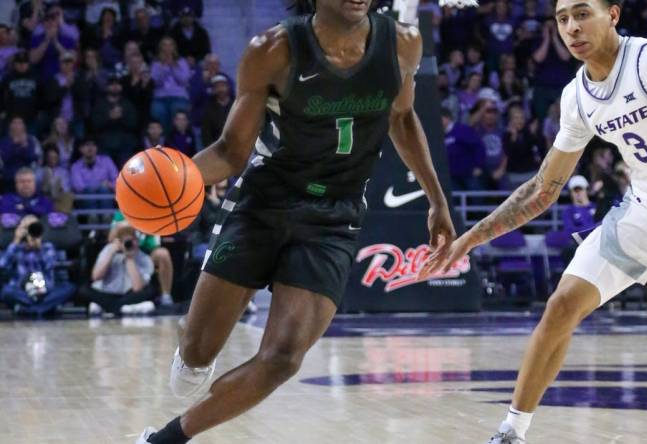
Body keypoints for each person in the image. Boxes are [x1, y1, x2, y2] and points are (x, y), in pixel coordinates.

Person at [420, 1, 647, 442]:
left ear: (612, 15)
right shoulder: (576, 96)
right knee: (561, 306)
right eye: (562, 19)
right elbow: (543, 190)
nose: (572, 28)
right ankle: (512, 431)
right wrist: (469, 240)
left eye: (582, 14)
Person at [134, 0, 455, 442]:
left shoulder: (403, 44)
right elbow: (231, 151)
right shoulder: (274, 50)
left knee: (284, 356)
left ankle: (167, 439)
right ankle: (194, 355)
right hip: (264, 202)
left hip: (334, 216)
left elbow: (401, 117)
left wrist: (436, 200)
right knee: (194, 355)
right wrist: (175, 180)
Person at [0, 214, 75, 315]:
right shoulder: (15, 247)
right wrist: (16, 241)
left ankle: (28, 309)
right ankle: (44, 308)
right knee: (6, 291)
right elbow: (2, 265)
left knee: (69, 287)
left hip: (45, 289)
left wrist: (39, 249)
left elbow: (50, 265)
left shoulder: (47, 246)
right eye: (27, 227)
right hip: (21, 289)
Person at [82, 222, 157, 316]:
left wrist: (130, 258)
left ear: (137, 240)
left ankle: (108, 308)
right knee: (84, 290)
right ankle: (125, 308)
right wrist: (111, 253)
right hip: (106, 293)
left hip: (129, 295)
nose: (128, 242)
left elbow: (137, 288)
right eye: (124, 239)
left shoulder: (144, 258)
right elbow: (96, 277)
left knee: (150, 291)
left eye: (132, 239)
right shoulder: (108, 250)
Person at [69, 138, 118, 211]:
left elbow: (117, 181)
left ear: (96, 148)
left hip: (106, 196)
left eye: (93, 145)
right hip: (85, 200)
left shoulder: (107, 160)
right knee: (90, 190)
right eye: (87, 145)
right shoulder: (76, 166)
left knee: (104, 189)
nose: (90, 148)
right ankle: (92, 217)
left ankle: (106, 217)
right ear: (80, 149)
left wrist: (108, 184)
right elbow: (78, 187)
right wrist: (99, 185)